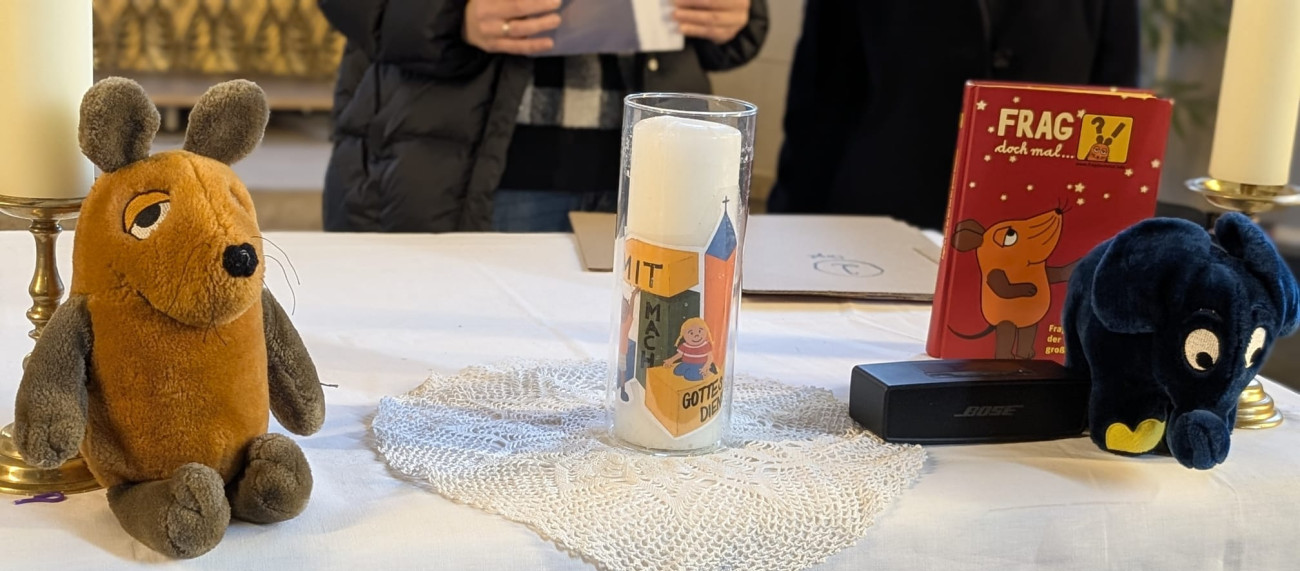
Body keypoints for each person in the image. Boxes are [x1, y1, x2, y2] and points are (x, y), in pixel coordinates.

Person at [319, 0, 768, 233]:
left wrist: (738, 13)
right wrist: (447, 14)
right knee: (452, 357)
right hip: (471, 169)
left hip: (656, 171)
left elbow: (737, 21)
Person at [767, 0, 1139, 231]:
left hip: (1038, 234)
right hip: (874, 229)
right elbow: (818, 104)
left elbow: (1117, 108)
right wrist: (787, 236)